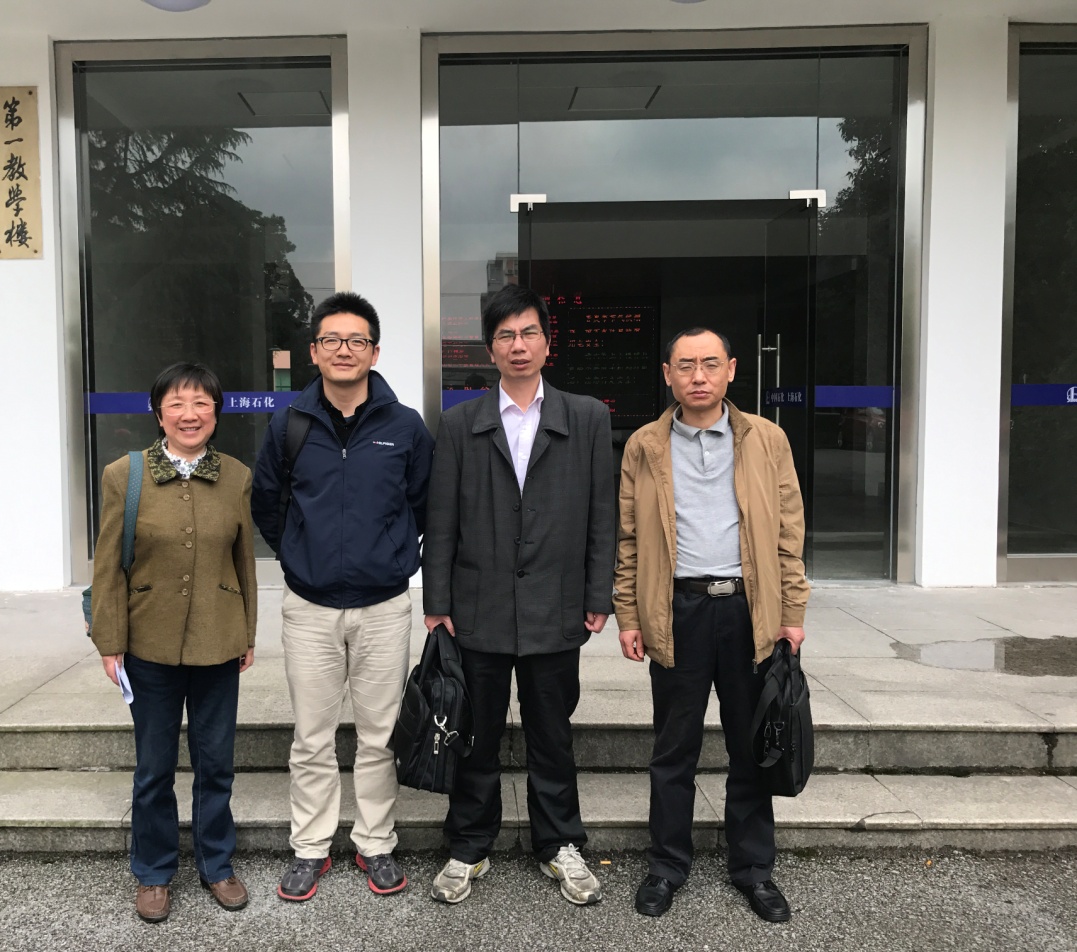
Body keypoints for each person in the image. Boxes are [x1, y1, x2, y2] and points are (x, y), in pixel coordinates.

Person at [422, 283, 615, 907]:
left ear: (548, 343)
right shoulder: (460, 424)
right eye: (505, 335)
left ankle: (559, 843)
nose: (518, 345)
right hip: (477, 606)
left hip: (556, 604)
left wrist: (598, 593)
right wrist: (437, 601)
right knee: (474, 732)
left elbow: (602, 515)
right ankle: (468, 845)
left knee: (551, 733)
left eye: (529, 332)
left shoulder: (586, 417)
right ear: (490, 349)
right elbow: (441, 520)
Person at [613, 327, 809, 924]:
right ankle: (666, 866)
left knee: (751, 749)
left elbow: (789, 533)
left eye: (710, 364)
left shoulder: (767, 439)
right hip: (678, 610)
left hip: (749, 611)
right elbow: (629, 540)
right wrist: (629, 614)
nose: (698, 376)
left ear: (730, 371)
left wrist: (792, 612)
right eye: (685, 365)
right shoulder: (644, 446)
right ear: (667, 374)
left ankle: (754, 870)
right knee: (674, 749)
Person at [252, 291, 433, 901]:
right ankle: (310, 847)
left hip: (384, 606)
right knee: (312, 736)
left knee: (380, 735)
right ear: (314, 351)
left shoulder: (404, 426)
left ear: (374, 352)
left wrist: (391, 554)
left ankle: (376, 843)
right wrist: (301, 554)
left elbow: (424, 504)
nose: (344, 350)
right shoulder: (289, 424)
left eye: (357, 341)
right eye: (332, 340)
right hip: (310, 608)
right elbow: (268, 504)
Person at [91, 361, 257, 924]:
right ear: (158, 413)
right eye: (177, 404)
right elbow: (107, 566)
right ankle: (154, 871)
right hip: (148, 643)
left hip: (218, 640)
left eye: (202, 403)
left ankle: (217, 864)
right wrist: (110, 641)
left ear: (217, 411)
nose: (190, 414)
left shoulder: (236, 475)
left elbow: (244, 562)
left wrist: (246, 633)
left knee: (217, 764)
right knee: (154, 768)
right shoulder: (125, 474)